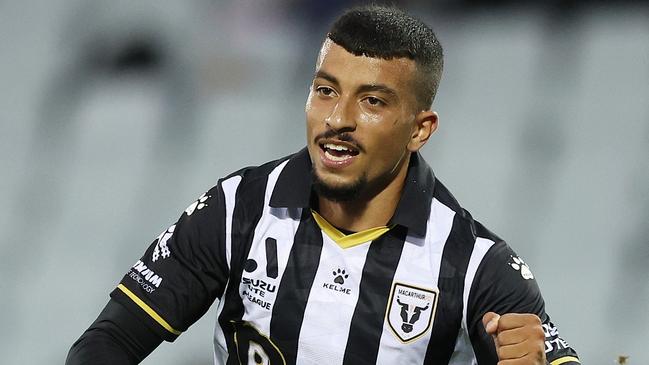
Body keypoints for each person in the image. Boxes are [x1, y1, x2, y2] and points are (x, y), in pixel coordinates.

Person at [67, 5, 579, 365]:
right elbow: (108, 341)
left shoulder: (475, 265)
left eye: (372, 101)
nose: (338, 118)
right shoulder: (238, 207)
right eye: (325, 90)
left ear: (420, 129)